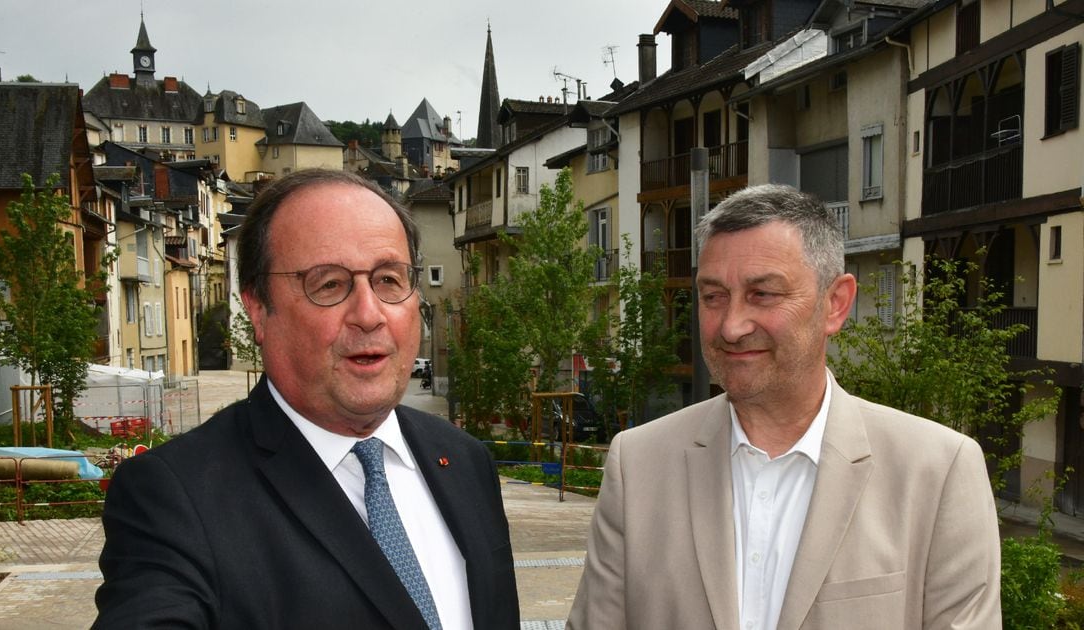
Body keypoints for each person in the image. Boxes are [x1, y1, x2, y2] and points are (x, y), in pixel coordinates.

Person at [95, 169, 519, 629]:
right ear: (258, 310)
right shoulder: (174, 498)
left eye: (389, 280)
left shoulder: (464, 460)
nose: (368, 314)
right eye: (329, 284)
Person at [567, 184, 1000, 629]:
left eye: (763, 294)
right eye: (713, 296)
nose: (731, 326)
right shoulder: (637, 465)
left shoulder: (938, 471)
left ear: (835, 304)